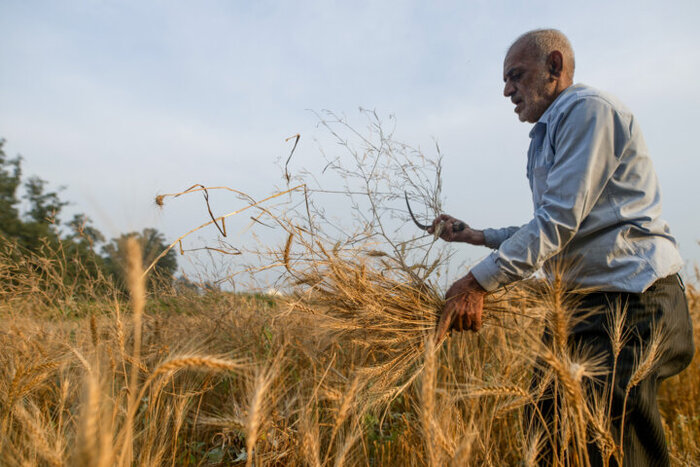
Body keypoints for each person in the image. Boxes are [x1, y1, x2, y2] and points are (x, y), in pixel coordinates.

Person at [429, 29, 694, 465]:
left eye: (515, 76)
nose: (506, 90)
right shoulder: (546, 135)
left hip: (631, 302)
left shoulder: (587, 112)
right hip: (586, 305)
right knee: (550, 427)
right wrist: (478, 236)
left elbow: (558, 222)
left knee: (609, 444)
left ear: (555, 66)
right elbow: (557, 221)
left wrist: (476, 283)